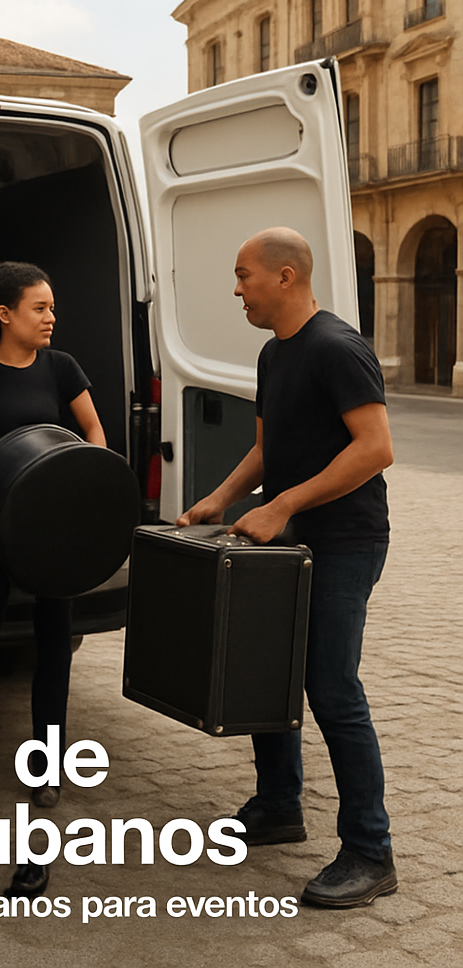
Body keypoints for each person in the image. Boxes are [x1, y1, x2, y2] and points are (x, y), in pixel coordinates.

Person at [178, 227, 396, 909]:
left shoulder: (337, 347)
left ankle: (370, 850)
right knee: (266, 669)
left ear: (286, 276)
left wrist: (285, 507)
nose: (237, 289)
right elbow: (268, 448)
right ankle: (278, 805)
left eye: (244, 276)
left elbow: (375, 449)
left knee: (331, 688)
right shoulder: (276, 355)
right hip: (291, 533)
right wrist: (222, 496)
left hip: (345, 538)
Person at [0, 261, 107, 897]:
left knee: (54, 644)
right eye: (39, 307)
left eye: (52, 308)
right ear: (4, 314)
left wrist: (91, 480)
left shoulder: (62, 368)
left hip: (54, 528)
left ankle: (49, 764)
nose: (50, 318)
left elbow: (93, 431)